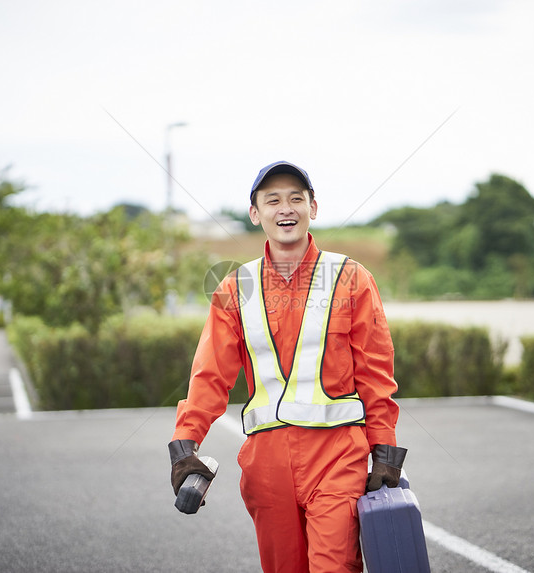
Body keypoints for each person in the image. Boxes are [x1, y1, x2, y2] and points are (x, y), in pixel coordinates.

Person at [168, 161, 407, 573]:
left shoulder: (350, 278)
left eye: (296, 198)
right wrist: (185, 445)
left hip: (337, 457)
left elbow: (375, 373)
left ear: (313, 207)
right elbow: (211, 376)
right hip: (266, 465)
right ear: (255, 213)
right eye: (273, 199)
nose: (286, 208)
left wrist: (385, 452)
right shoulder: (234, 289)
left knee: (334, 567)